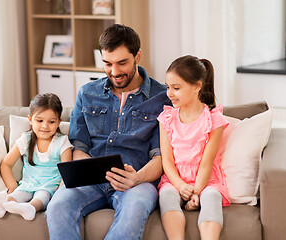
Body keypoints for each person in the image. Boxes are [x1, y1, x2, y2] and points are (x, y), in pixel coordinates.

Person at [46, 24, 171, 239]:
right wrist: (88, 170)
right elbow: (79, 146)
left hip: (136, 182)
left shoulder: (162, 98)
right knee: (57, 205)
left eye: (122, 63)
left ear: (137, 56)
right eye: (107, 64)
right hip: (91, 180)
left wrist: (137, 178)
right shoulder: (87, 93)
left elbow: (161, 156)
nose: (114, 72)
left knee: (135, 209)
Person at [157, 55, 230, 239]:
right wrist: (181, 186)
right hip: (175, 180)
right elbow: (167, 161)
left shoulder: (214, 120)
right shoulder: (166, 119)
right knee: (166, 196)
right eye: (167, 87)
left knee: (212, 197)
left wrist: (196, 192)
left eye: (176, 88)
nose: (169, 93)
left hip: (205, 181)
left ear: (197, 86)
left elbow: (206, 164)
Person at [0, 93, 73, 221]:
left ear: (58, 123)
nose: (45, 126)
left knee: (42, 196)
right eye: (39, 121)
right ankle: (4, 203)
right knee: (18, 194)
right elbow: (6, 164)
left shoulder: (62, 142)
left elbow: (67, 172)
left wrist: (59, 192)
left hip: (49, 187)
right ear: (30, 120)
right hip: (27, 184)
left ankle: (31, 208)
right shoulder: (26, 139)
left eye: (51, 122)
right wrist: (12, 186)